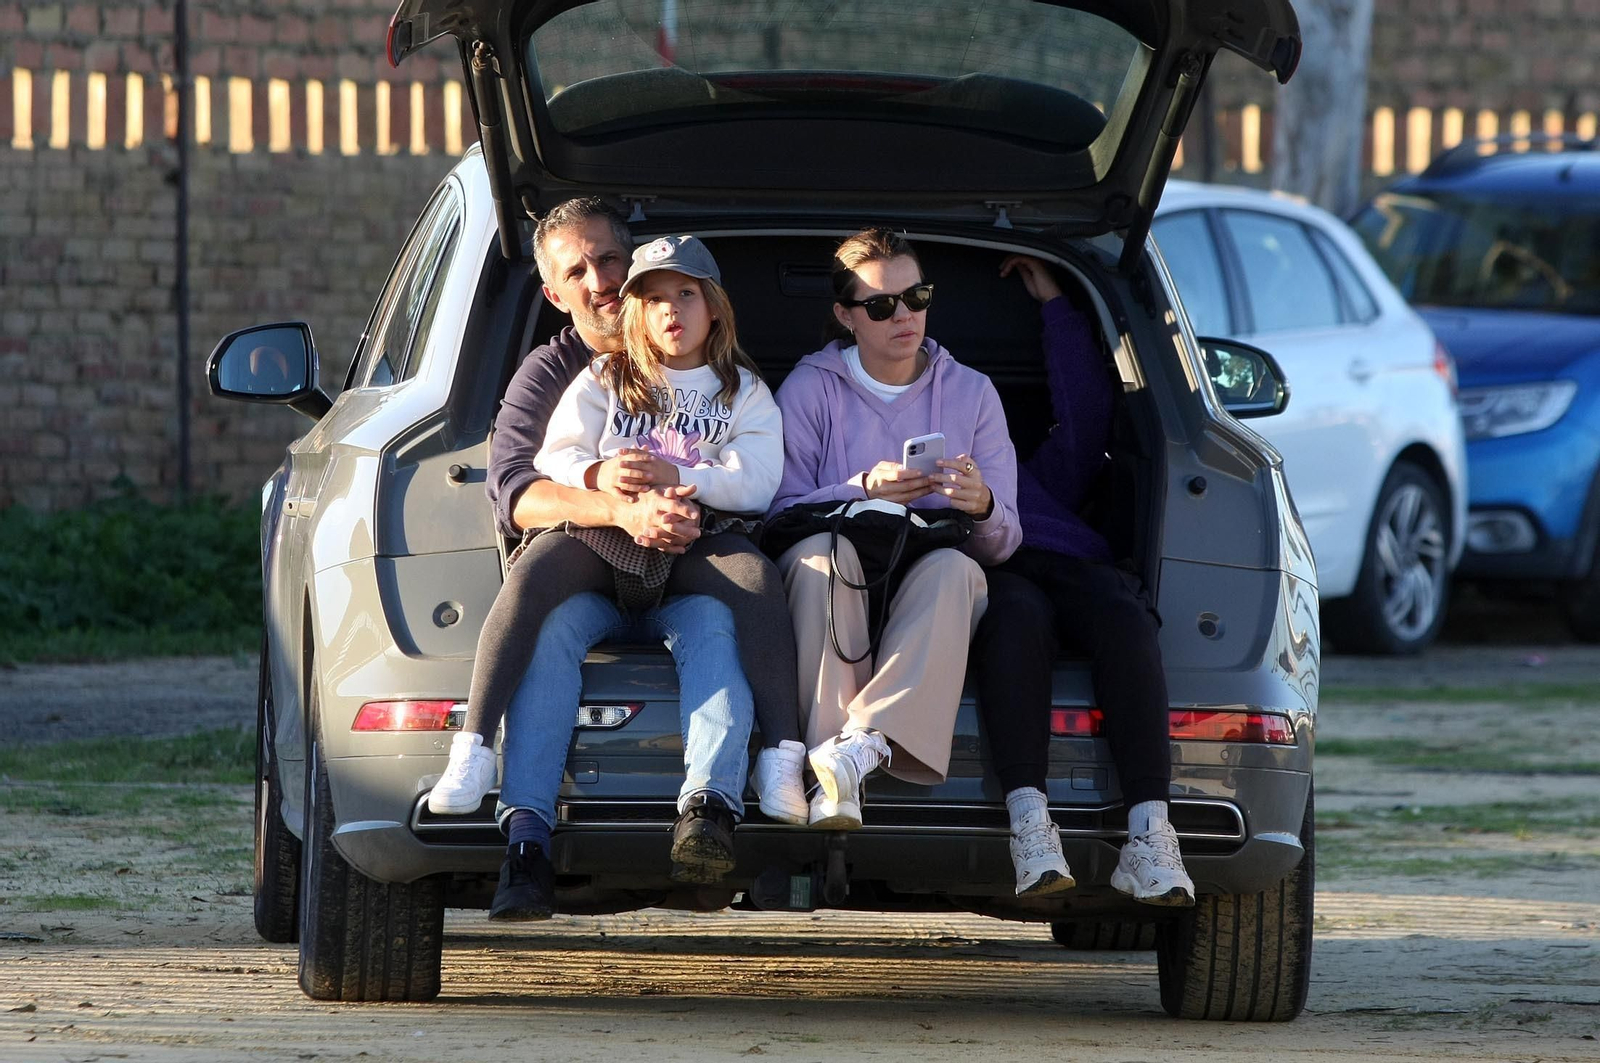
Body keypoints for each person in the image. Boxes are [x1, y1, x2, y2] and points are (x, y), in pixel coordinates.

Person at [423, 201, 808, 915]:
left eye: (610, 260)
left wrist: (676, 489)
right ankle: (506, 804)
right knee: (541, 610)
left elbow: (757, 479)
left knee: (731, 617)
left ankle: (728, 797)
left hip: (694, 558)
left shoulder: (739, 388)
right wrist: (611, 495)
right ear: (556, 293)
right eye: (580, 269)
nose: (600, 279)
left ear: (712, 309)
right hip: (595, 558)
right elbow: (527, 481)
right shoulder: (583, 377)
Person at [768, 228, 1021, 831]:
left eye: (918, 296)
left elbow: (1006, 542)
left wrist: (980, 504)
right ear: (844, 315)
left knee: (957, 567)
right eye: (882, 306)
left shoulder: (973, 392)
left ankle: (850, 756)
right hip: (837, 554)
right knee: (820, 559)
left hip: (929, 566)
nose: (905, 316)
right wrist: (861, 488)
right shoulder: (809, 388)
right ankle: (832, 770)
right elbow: (774, 515)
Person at [969, 254, 1196, 904]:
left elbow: (1086, 416)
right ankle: (1030, 826)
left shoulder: (1031, 467)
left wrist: (1055, 304)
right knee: (1014, 617)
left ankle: (1151, 836)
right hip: (989, 566)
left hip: (1069, 556)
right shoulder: (928, 463)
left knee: (1125, 614)